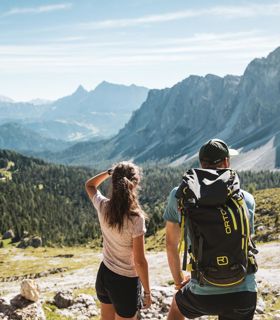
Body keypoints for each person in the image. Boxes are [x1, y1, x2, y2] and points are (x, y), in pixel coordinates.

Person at [164, 139, 257, 320]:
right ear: (226, 162)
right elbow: (245, 242)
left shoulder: (180, 195)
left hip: (202, 290)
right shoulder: (246, 199)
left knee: (177, 306)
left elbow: (170, 244)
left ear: (202, 164)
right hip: (243, 291)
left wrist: (178, 282)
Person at [85, 161, 152, 320]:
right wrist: (148, 292)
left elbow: (90, 185)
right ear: (134, 184)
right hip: (125, 282)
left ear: (114, 183)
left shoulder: (104, 206)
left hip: (104, 275)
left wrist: (109, 172)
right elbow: (139, 260)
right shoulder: (136, 218)